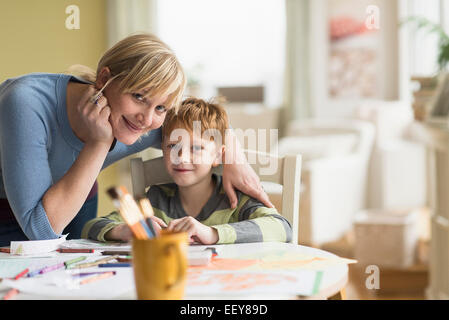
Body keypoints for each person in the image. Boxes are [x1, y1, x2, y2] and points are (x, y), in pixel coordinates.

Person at [0, 33, 272, 246]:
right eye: (138, 96)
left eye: (161, 108)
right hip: (13, 214)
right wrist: (99, 143)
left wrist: (234, 159)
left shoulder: (150, 119)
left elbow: (207, 122)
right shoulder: (25, 102)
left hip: (75, 198)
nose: (147, 119)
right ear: (105, 78)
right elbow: (42, 230)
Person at [82, 97, 291, 244]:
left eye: (196, 148)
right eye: (172, 146)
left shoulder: (237, 200)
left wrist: (212, 234)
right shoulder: (156, 198)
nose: (181, 157)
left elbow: (282, 228)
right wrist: (125, 230)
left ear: (219, 155)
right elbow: (91, 226)